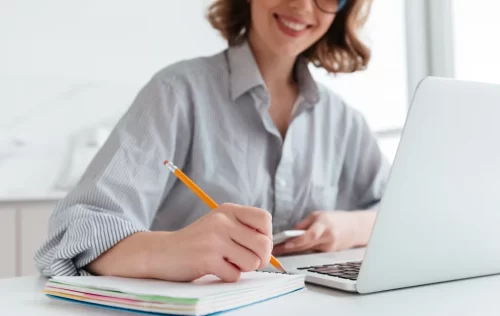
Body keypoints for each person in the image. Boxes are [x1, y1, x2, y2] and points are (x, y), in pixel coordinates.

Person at [35, 0, 390, 283]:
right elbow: (74, 232)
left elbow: (400, 213)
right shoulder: (177, 92)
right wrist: (171, 250)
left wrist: (348, 228)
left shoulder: (344, 121)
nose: (302, 5)